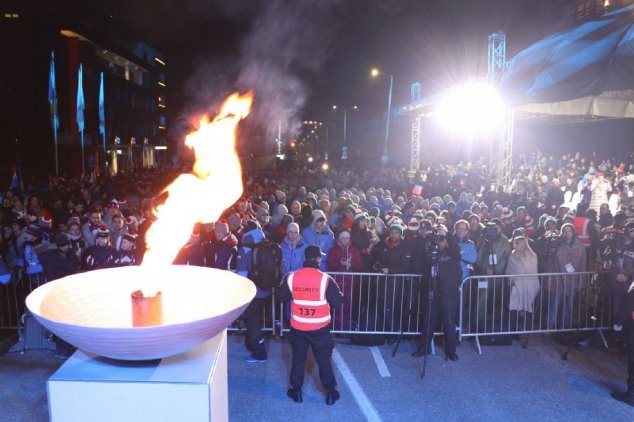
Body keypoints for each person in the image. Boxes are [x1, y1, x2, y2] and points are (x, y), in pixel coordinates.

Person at [277, 245, 343, 405]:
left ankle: (296, 391)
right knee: (324, 361)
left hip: (298, 327)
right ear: (319, 259)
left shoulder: (291, 277)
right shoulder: (326, 279)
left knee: (298, 360)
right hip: (320, 328)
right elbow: (338, 302)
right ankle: (330, 393)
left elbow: (280, 297)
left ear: (304, 258)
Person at [414, 224, 461, 361]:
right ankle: (424, 348)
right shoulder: (433, 254)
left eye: (442, 239)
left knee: (448, 323)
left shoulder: (453, 253)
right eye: (439, 239)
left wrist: (446, 234)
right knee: (429, 321)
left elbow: (455, 248)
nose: (440, 242)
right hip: (433, 293)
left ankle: (451, 352)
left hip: (448, 294)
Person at [237, 220, 271, 363]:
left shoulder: (245, 248)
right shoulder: (265, 243)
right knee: (258, 321)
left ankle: (259, 354)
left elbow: (242, 274)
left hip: (251, 292)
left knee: (253, 323)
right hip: (266, 289)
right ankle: (253, 345)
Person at [506, 233, 540, 331]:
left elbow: (533, 270)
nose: (515, 245)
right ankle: (514, 331)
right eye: (514, 243)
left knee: (528, 307)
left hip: (529, 285)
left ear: (523, 244)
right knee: (514, 308)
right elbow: (509, 269)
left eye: (518, 243)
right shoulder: (512, 255)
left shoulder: (532, 256)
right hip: (516, 285)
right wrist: (511, 281)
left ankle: (527, 329)